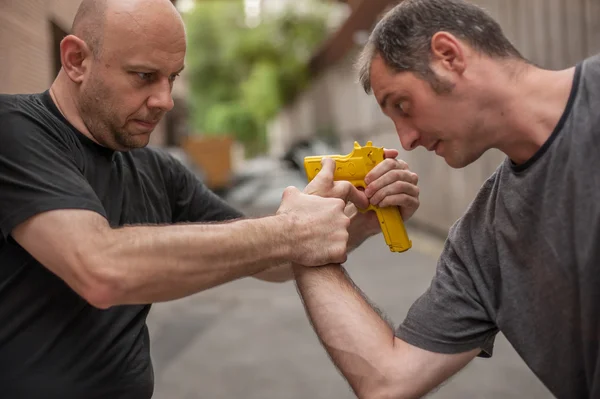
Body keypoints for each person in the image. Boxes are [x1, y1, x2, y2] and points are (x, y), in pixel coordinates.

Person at [0, 0, 421, 397]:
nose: (164, 100)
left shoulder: (157, 170)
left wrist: (355, 222)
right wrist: (290, 230)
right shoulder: (15, 132)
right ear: (76, 60)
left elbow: (271, 263)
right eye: (144, 76)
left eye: (173, 78)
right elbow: (100, 269)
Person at [293, 0, 600, 398]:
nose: (406, 140)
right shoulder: (483, 239)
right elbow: (388, 380)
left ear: (448, 56)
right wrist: (303, 243)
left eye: (402, 106)